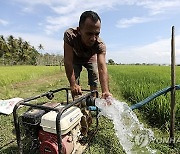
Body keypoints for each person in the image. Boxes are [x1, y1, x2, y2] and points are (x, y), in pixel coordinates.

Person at [63, 10, 112, 99]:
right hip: (76, 57)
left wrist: (105, 91)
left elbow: (101, 67)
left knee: (94, 73)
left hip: (90, 57)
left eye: (97, 34)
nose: (93, 38)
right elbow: (68, 61)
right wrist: (73, 84)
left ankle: (93, 100)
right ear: (79, 30)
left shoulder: (100, 44)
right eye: (89, 34)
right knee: (75, 79)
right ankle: (76, 102)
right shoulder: (70, 35)